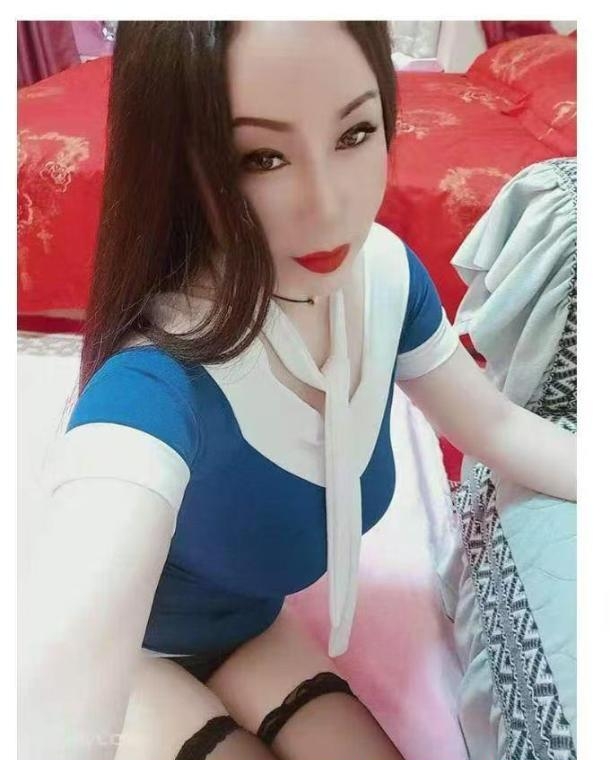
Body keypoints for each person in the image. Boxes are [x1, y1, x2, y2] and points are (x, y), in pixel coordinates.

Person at [19, 21, 576, 760]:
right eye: (261, 157)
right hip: (138, 664)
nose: (329, 205)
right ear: (181, 164)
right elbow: (53, 689)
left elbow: (496, 429)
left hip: (253, 626)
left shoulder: (384, 279)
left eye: (355, 133)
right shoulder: (156, 383)